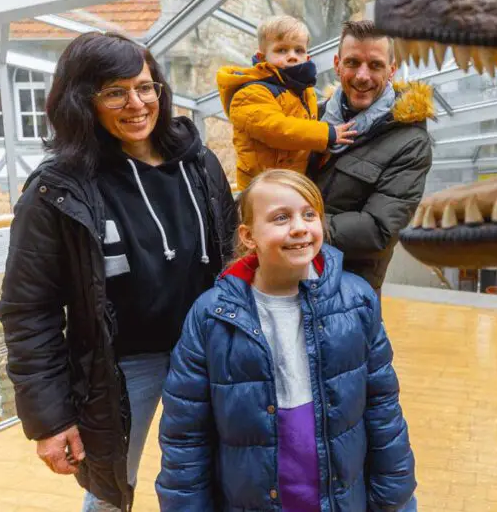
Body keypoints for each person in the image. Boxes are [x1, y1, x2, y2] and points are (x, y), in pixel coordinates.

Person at [0, 31, 238, 512]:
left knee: (225, 473)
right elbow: (29, 311)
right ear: (81, 101)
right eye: (115, 92)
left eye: (145, 87)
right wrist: (49, 420)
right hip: (125, 366)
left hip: (210, 348)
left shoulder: (197, 162)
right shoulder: (57, 191)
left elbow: (232, 254)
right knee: (111, 490)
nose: (137, 103)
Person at [155, 168, 417, 511]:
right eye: (281, 217)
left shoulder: (357, 301)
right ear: (249, 236)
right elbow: (185, 435)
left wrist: (394, 499)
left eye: (309, 214)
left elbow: (383, 409)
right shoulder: (211, 317)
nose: (299, 227)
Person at [307, 19, 434, 295]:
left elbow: (377, 230)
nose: (363, 76)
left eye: (375, 65)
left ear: (391, 70)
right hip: (286, 281)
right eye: (353, 63)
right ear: (337, 64)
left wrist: (293, 225)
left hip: (346, 296)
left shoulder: (409, 141)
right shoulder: (310, 119)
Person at [216, 14, 357, 190]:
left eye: (299, 50)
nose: (292, 56)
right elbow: (276, 129)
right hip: (263, 187)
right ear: (262, 57)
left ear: (307, 56)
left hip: (291, 182)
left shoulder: (304, 90)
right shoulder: (250, 93)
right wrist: (326, 134)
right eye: (282, 50)